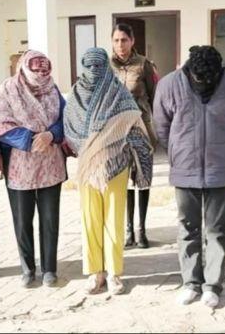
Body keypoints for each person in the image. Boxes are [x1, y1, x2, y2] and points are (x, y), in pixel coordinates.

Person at [153, 45, 225, 307]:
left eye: (211, 79)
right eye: (199, 79)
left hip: (220, 168)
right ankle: (191, 283)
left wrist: (223, 145)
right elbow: (161, 126)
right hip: (185, 167)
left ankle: (213, 285)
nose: (205, 83)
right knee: (187, 228)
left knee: (217, 230)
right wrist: (178, 148)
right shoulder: (169, 85)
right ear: (189, 70)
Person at [64, 47, 153, 295]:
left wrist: (133, 155)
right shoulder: (76, 94)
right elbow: (69, 128)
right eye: (90, 66)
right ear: (83, 67)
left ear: (106, 66)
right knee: (90, 220)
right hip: (87, 166)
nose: (95, 70)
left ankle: (114, 273)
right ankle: (95, 272)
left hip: (116, 165)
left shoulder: (118, 92)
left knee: (114, 220)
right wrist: (90, 147)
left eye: (99, 66)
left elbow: (133, 123)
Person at [0, 50, 66, 288]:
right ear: (24, 67)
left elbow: (66, 119)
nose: (41, 74)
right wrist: (31, 139)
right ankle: (28, 269)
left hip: (51, 163)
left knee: (50, 219)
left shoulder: (53, 90)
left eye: (44, 70)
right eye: (36, 70)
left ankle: (49, 269)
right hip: (20, 165)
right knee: (22, 220)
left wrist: (50, 134)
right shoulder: (8, 89)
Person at [110, 23, 158, 249]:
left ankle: (142, 230)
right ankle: (128, 230)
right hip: (117, 132)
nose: (120, 45)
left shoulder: (144, 64)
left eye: (124, 40)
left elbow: (156, 97)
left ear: (132, 41)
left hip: (141, 130)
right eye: (116, 40)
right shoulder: (107, 66)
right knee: (124, 181)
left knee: (143, 180)